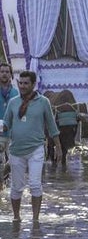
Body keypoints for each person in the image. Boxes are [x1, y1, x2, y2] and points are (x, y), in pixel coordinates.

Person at [4, 71, 61, 225]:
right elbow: (6, 124)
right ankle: (16, 218)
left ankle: (35, 220)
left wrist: (58, 147)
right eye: (20, 83)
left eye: (26, 83)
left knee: (35, 185)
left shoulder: (43, 102)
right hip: (16, 150)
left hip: (36, 148)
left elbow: (51, 125)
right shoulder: (13, 102)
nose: (22, 86)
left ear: (33, 84)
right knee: (16, 187)